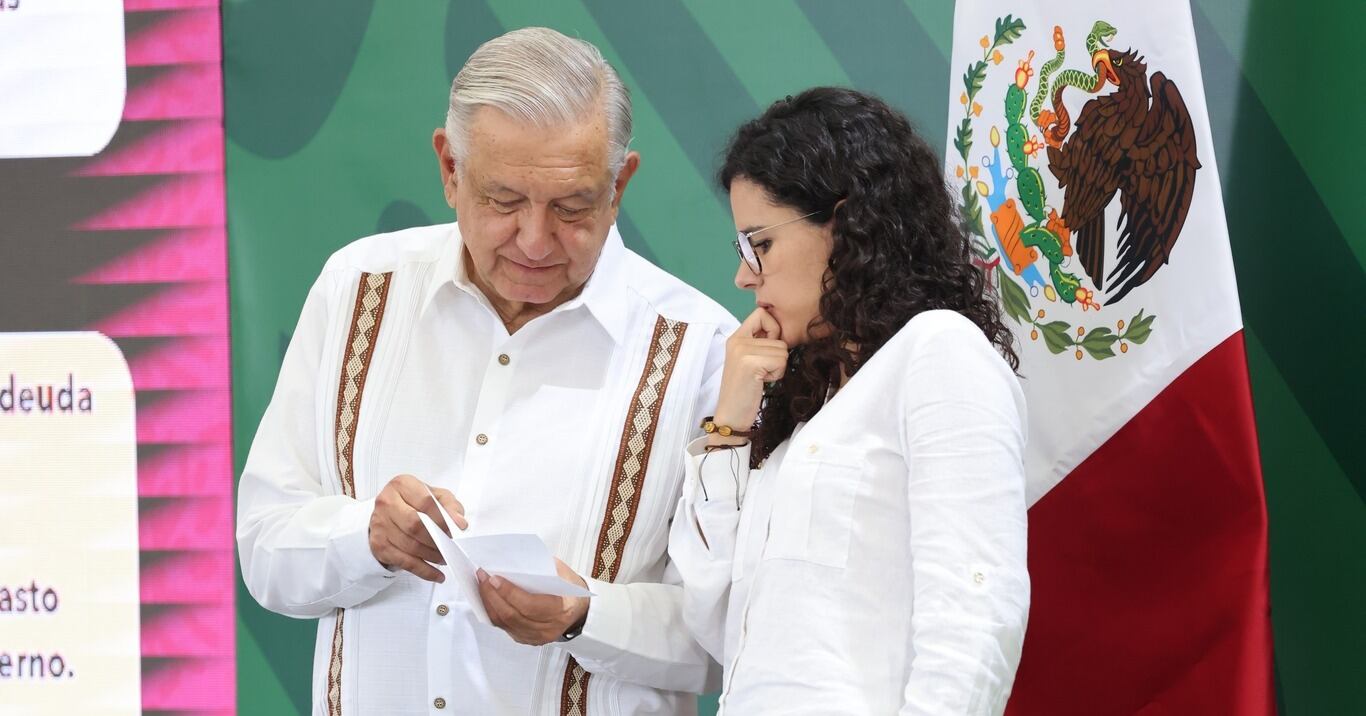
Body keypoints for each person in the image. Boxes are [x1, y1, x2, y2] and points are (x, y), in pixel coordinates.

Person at [237, 27, 736, 715]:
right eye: (503, 201)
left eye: (571, 207)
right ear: (449, 170)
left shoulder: (700, 349)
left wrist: (584, 615)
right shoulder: (359, 290)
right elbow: (265, 552)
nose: (534, 240)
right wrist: (366, 538)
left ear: (620, 185)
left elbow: (728, 641)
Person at [669, 87, 1031, 714]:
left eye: (760, 243)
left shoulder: (939, 351)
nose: (744, 275)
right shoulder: (807, 404)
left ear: (843, 223)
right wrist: (726, 431)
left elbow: (976, 616)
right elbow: (713, 618)